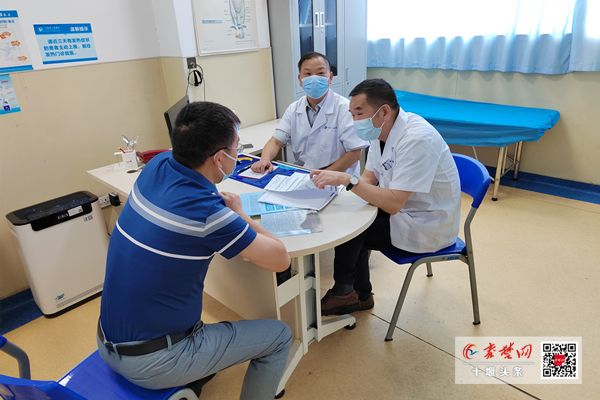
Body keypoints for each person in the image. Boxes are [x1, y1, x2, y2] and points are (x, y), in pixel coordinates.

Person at [98, 101, 292, 399]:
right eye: (237, 146)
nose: (239, 153)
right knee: (279, 336)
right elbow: (280, 259)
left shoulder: (157, 165)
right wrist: (240, 214)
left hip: (108, 341)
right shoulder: (208, 215)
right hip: (154, 362)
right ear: (219, 158)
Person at [310, 79, 461, 315]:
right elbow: (370, 176)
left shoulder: (417, 139)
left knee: (351, 232)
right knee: (350, 217)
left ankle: (346, 293)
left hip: (425, 222)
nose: (355, 120)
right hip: (405, 207)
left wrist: (347, 180)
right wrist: (343, 194)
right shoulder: (379, 131)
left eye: (359, 113)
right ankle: (357, 293)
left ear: (384, 111)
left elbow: (392, 204)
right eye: (351, 114)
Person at [251, 52, 368, 175]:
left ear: (330, 77)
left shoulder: (345, 108)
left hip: (338, 178)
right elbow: (276, 141)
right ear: (300, 79)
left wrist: (324, 175)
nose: (314, 78)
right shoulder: (294, 109)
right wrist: (264, 159)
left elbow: (355, 152)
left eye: (321, 73)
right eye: (307, 74)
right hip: (304, 174)